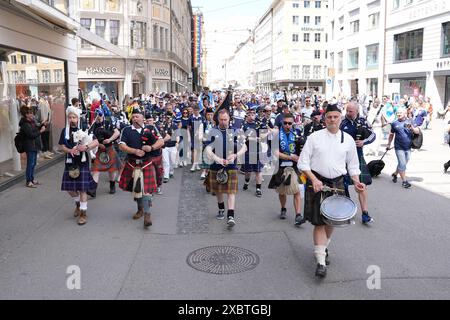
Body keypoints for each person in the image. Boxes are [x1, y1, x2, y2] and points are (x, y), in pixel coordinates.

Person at [298, 104, 365, 278]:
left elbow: (353, 165)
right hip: (317, 182)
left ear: (340, 118)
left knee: (331, 221)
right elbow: (303, 163)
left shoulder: (348, 139)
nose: (332, 120)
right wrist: (313, 179)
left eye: (335, 117)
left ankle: (323, 248)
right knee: (319, 222)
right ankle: (320, 261)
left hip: (338, 183)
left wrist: (357, 181)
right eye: (329, 117)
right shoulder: (314, 137)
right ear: (324, 118)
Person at [118, 107, 165, 228]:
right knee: (136, 189)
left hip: (147, 163)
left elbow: (161, 142)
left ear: (142, 117)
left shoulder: (150, 128)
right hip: (132, 163)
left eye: (137, 116)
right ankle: (140, 209)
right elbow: (121, 145)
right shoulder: (127, 130)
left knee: (147, 191)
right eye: (133, 117)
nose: (135, 119)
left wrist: (151, 148)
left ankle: (147, 214)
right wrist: (135, 151)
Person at [204, 109, 247, 228]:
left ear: (229, 119)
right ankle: (221, 208)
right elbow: (207, 149)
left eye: (225, 119)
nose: (223, 122)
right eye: (221, 119)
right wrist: (216, 158)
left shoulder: (235, 131)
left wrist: (236, 155)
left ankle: (231, 215)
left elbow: (245, 147)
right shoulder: (212, 131)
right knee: (218, 190)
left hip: (231, 165)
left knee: (231, 191)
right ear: (218, 119)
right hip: (215, 165)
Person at [59, 106, 99, 225]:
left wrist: (85, 147)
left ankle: (83, 213)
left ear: (78, 118)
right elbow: (63, 146)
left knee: (82, 189)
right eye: (70, 117)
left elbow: (96, 142)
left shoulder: (85, 128)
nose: (72, 119)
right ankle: (78, 203)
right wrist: (70, 150)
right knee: (69, 189)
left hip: (82, 162)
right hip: (70, 162)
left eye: (74, 117)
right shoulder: (64, 131)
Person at [341, 102, 376, 224]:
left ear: (356, 111)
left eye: (351, 111)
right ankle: (347, 211)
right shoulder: (341, 122)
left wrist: (363, 142)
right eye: (347, 110)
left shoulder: (363, 121)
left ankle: (365, 213)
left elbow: (373, 135)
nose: (348, 113)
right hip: (342, 158)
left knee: (361, 186)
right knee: (343, 186)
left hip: (358, 156)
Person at [268, 113, 305, 226]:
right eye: (285, 123)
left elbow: (303, 149)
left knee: (297, 190)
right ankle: (283, 208)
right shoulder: (276, 134)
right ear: (282, 123)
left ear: (293, 123)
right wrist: (290, 157)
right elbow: (275, 152)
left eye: (290, 123)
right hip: (281, 166)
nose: (287, 125)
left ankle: (298, 215)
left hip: (295, 167)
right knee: (282, 191)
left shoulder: (297, 133)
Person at [88, 108, 122, 196]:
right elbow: (90, 138)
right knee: (96, 170)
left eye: (99, 115)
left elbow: (117, 133)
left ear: (102, 114)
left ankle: (112, 185)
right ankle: (93, 190)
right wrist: (98, 144)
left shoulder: (109, 122)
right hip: (98, 150)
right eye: (96, 116)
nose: (97, 118)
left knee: (111, 170)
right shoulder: (94, 125)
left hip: (109, 148)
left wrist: (109, 139)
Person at [387, 108, 421, 189]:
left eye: (400, 113)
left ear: (405, 113)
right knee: (402, 163)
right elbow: (391, 134)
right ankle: (404, 181)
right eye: (397, 113)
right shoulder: (394, 123)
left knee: (404, 163)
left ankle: (395, 174)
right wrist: (388, 144)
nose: (398, 114)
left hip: (408, 147)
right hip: (398, 147)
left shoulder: (410, 121)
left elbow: (417, 131)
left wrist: (412, 127)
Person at [19, 104, 46, 188]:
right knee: (30, 164)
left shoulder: (31, 121)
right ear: (26, 114)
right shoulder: (25, 124)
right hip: (30, 146)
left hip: (34, 145)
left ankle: (32, 179)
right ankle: (28, 181)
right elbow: (31, 135)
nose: (32, 114)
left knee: (33, 163)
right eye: (30, 113)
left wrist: (42, 125)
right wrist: (41, 131)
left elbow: (36, 129)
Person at [242, 107, 264, 197]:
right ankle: (246, 181)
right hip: (248, 150)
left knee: (258, 170)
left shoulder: (258, 124)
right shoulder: (244, 126)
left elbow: (264, 135)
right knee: (248, 171)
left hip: (258, 150)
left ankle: (258, 188)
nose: (251, 116)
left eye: (253, 114)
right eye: (249, 114)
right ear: (246, 116)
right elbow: (243, 138)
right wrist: (254, 139)